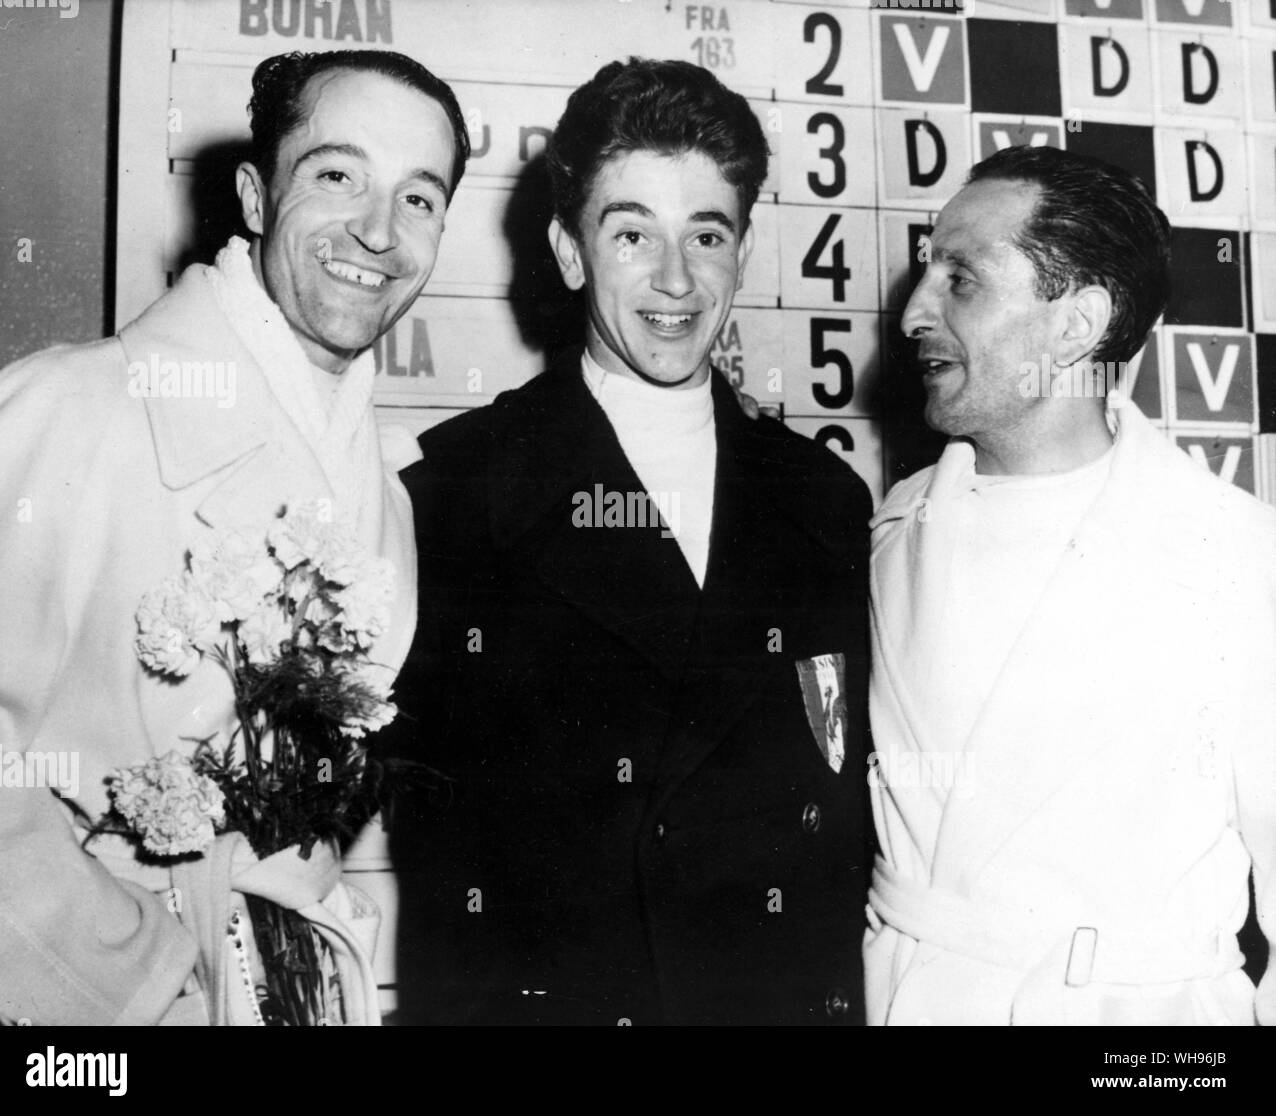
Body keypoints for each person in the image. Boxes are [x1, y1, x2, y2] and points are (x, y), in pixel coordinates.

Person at [0, 49, 470, 1025]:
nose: (378, 232)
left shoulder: (388, 503)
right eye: (337, 176)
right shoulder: (80, 407)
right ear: (253, 194)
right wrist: (127, 979)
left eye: (419, 199)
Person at [395, 57, 873, 1026]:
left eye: (706, 233)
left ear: (741, 251)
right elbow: (446, 872)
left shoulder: (823, 502)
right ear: (570, 254)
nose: (674, 279)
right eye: (631, 234)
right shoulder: (458, 492)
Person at [866, 144, 1276, 1026]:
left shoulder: (1236, 556)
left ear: (1076, 323)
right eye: (926, 274)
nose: (913, 315)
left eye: (961, 280)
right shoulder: (892, 531)